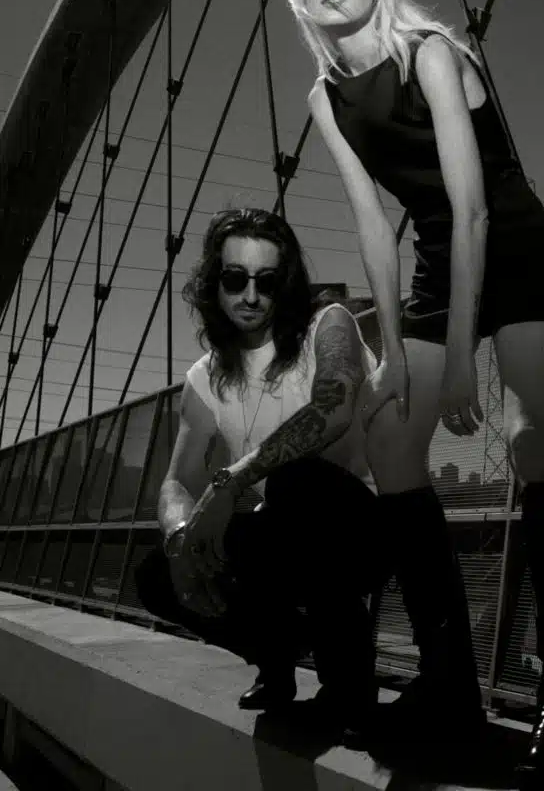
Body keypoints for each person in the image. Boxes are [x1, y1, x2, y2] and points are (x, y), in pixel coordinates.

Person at [286, 0, 544, 788]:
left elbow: (475, 211)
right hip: (433, 263)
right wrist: (391, 353)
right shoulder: (324, 98)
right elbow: (371, 227)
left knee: (530, 437)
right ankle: (450, 680)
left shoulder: (429, 54)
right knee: (390, 443)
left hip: (514, 248)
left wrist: (461, 359)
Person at [134, 208, 381, 732]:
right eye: (235, 279)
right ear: (214, 283)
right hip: (282, 535)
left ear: (284, 284)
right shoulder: (204, 378)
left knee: (296, 482)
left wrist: (233, 480)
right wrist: (180, 537)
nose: (250, 296)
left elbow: (333, 408)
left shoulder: (328, 324)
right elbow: (178, 481)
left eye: (266, 282)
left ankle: (350, 685)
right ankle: (277, 654)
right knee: (157, 573)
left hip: (361, 528)